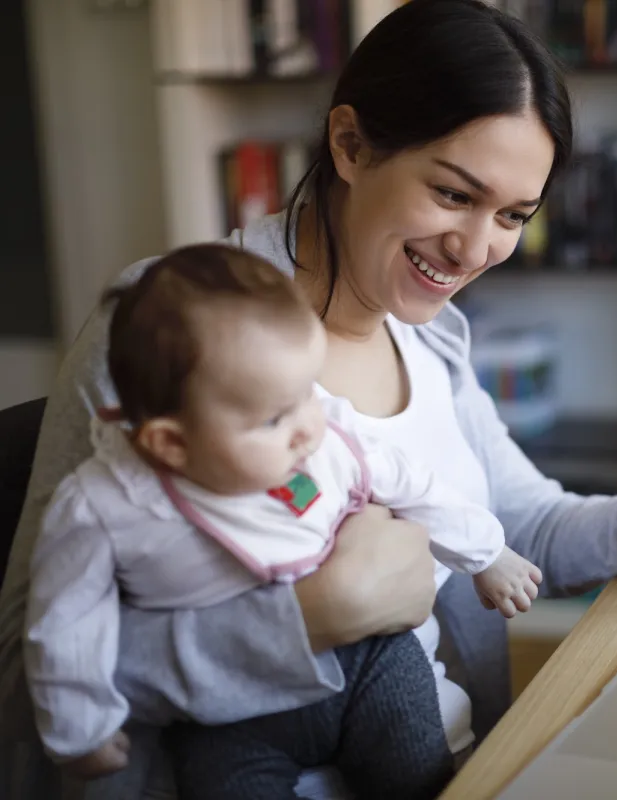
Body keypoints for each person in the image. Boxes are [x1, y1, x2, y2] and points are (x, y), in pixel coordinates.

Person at [1, 0, 617, 798]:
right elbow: (26, 664)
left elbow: (533, 532)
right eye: (454, 194)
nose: (476, 248)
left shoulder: (432, 336)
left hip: (453, 766)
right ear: (350, 144)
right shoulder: (166, 321)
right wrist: (313, 617)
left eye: (513, 215)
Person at [23, 243, 540, 800]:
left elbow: (416, 485)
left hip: (367, 660)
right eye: (273, 417)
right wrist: (81, 727)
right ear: (169, 443)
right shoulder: (105, 504)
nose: (307, 428)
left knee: (417, 773)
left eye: (308, 394)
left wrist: (488, 554)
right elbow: (65, 622)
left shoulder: (320, 431)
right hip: (226, 709)